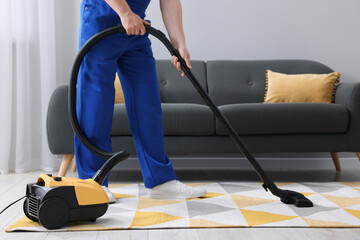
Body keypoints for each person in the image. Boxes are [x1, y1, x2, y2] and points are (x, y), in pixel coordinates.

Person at [74, 0, 207, 203]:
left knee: (147, 104)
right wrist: (124, 13)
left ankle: (160, 180)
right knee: (95, 107)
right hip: (102, 18)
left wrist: (178, 44)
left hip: (136, 26)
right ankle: (93, 182)